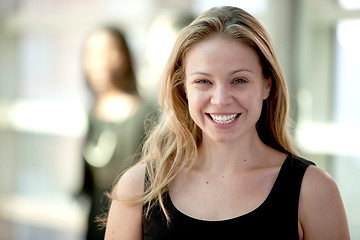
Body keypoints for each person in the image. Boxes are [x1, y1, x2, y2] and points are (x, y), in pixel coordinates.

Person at [105, 6, 350, 239]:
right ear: (183, 89)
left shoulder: (314, 191)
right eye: (203, 81)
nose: (221, 100)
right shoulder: (137, 189)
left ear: (267, 84)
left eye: (239, 80)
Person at [79, 26, 155, 240]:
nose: (99, 61)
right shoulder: (92, 112)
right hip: (94, 222)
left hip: (132, 223)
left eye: (107, 51)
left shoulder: (146, 115)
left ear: (125, 56)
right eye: (91, 53)